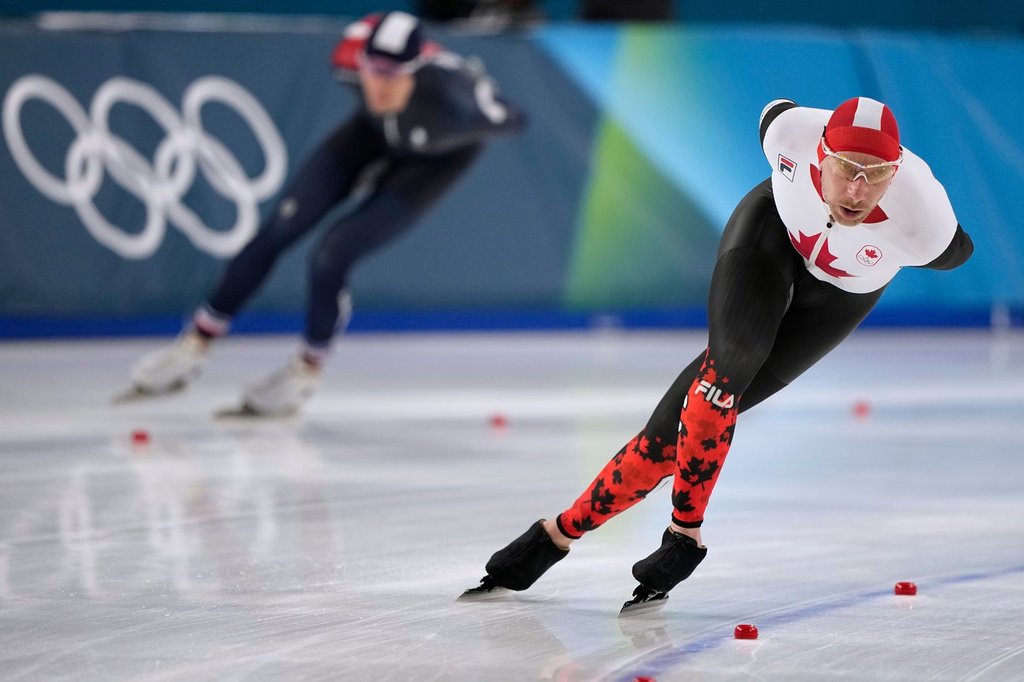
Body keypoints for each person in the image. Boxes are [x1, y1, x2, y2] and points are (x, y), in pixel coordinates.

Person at [464, 96, 974, 609]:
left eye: (876, 174)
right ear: (821, 153)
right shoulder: (790, 133)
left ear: (897, 170)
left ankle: (556, 535)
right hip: (771, 235)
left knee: (668, 440)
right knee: (728, 366)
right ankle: (685, 534)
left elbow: (960, 250)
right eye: (845, 168)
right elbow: (775, 108)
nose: (857, 189)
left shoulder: (924, 224)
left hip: (842, 294)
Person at [122, 11, 526, 415]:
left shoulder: (457, 102)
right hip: (371, 133)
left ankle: (305, 371)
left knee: (333, 253)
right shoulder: (347, 61)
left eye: (392, 73)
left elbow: (515, 118)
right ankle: (196, 343)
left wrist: (482, 98)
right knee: (282, 225)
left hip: (432, 163)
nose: (379, 83)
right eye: (373, 69)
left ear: (415, 69)